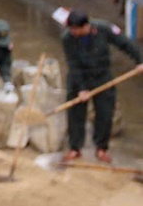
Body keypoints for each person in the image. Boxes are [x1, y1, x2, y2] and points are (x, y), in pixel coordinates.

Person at [60, 10, 143, 164]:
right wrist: (82, 89)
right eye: (71, 29)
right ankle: (75, 147)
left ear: (85, 26)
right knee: (75, 113)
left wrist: (140, 60)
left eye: (75, 29)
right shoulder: (67, 38)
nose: (72, 32)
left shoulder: (103, 29)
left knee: (105, 113)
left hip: (102, 76)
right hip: (79, 77)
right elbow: (73, 64)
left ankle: (101, 148)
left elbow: (125, 43)